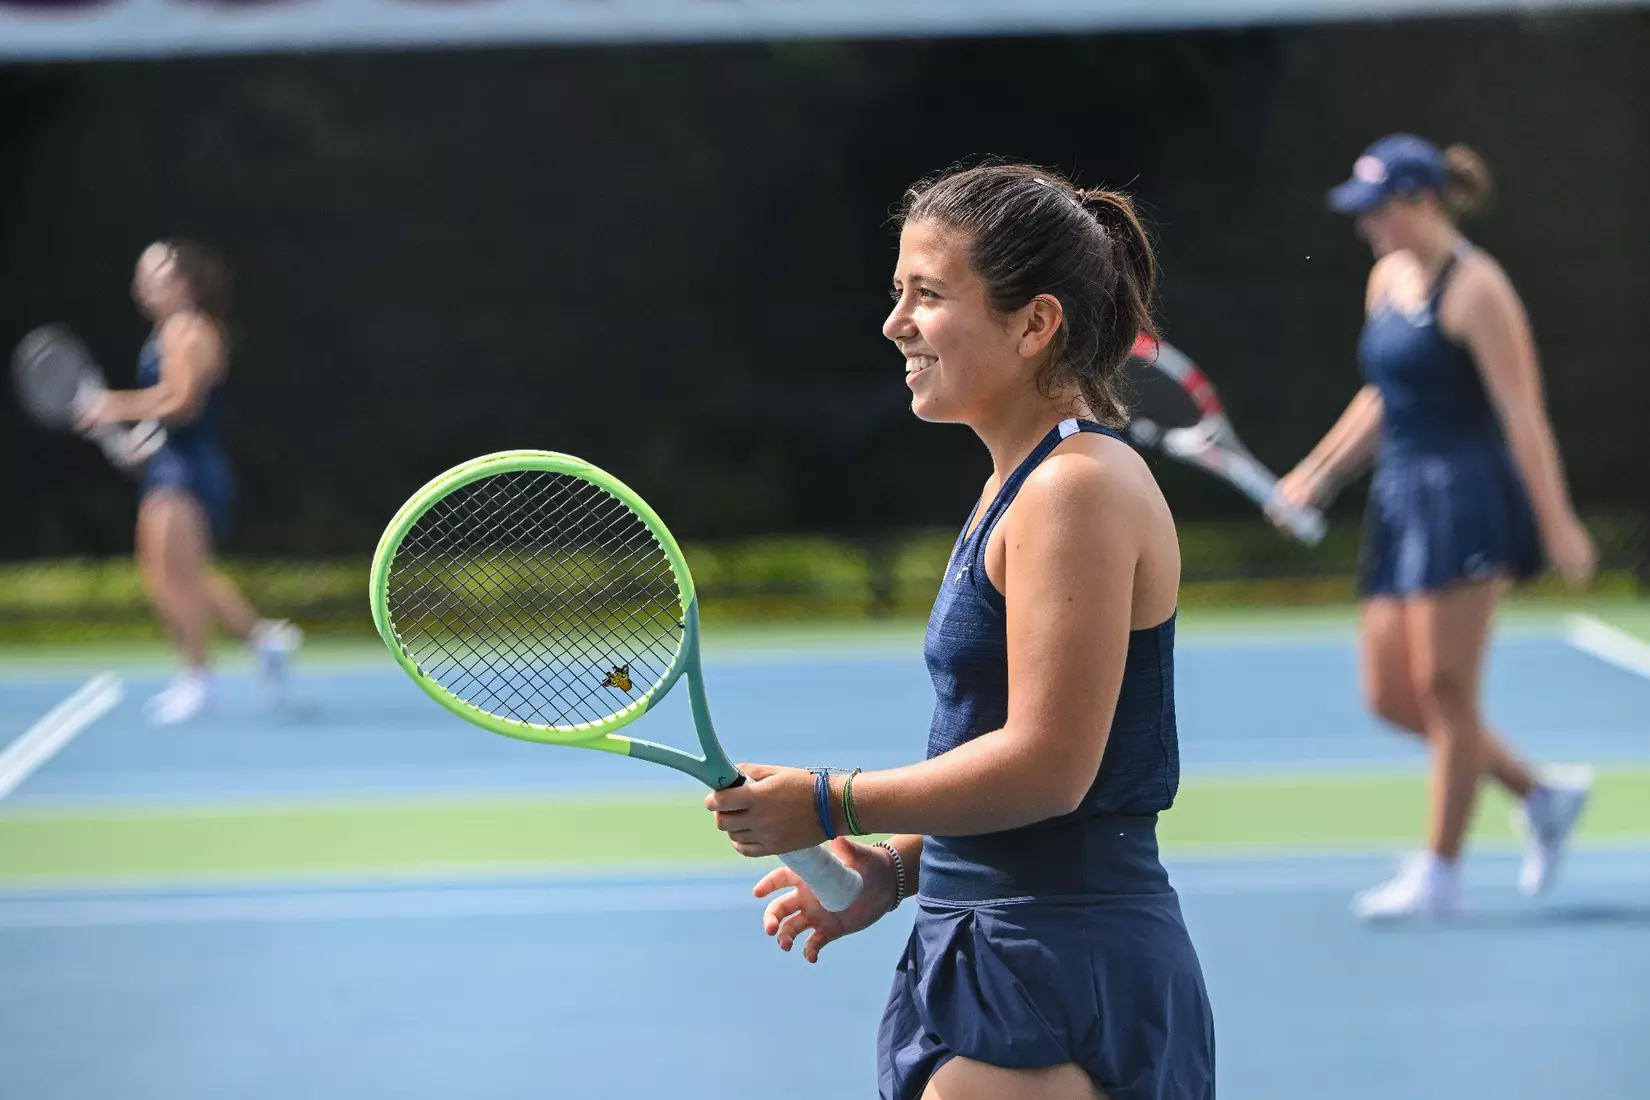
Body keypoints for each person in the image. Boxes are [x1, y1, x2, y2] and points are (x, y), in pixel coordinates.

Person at [705, 164, 1215, 1100]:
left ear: (1035, 324)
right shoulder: (1020, 484)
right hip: (999, 941)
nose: (896, 321)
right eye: (898, 292)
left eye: (928, 294)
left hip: (1054, 961)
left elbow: (1050, 770)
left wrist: (828, 803)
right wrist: (896, 870)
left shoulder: (1076, 488)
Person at [1272, 134, 1596, 919]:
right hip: (1401, 496)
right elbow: (1383, 395)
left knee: (1447, 689)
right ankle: (1540, 792)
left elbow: (1524, 418)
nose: (1364, 227)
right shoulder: (1386, 279)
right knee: (1390, 693)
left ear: (1420, 201)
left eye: (1375, 210)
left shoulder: (1480, 290)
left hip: (1469, 495)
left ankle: (1440, 875)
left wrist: (1558, 524)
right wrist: (1318, 472)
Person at [78, 240, 300, 724]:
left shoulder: (189, 330)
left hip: (192, 468)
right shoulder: (166, 331)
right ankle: (263, 640)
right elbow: (170, 414)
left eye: (152, 276)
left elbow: (183, 404)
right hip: (170, 460)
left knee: (176, 577)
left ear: (185, 283)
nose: (141, 286)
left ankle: (201, 679)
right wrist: (143, 438)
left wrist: (113, 405)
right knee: (172, 575)